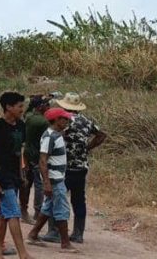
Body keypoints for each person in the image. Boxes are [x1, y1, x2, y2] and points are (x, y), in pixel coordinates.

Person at [43, 92, 106, 244]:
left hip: (63, 167)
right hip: (81, 166)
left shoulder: (63, 121)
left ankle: (54, 231)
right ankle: (78, 233)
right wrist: (87, 148)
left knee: (56, 198)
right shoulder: (86, 121)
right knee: (78, 200)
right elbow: (102, 135)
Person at [0, 91, 33, 259]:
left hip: (14, 175)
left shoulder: (21, 125)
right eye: (19, 106)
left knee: (3, 215)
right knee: (13, 213)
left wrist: (22, 173)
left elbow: (19, 151)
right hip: (1, 176)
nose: (22, 109)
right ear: (8, 107)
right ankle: (23, 253)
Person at [26, 107, 79, 253]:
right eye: (64, 119)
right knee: (61, 209)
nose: (67, 121)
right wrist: (47, 183)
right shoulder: (50, 137)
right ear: (56, 120)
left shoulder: (56, 135)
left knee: (48, 208)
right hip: (54, 180)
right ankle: (65, 243)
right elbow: (43, 161)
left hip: (56, 178)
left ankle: (33, 234)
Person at [21, 95, 51, 224]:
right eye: (46, 105)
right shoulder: (43, 122)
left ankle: (23, 210)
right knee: (39, 185)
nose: (49, 107)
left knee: (26, 183)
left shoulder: (28, 117)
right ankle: (37, 212)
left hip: (27, 153)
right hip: (38, 155)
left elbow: (27, 111)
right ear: (40, 107)